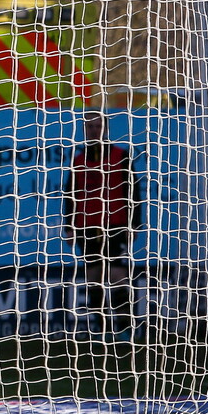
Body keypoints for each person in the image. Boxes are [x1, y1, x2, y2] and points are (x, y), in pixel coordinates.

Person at [62, 110, 141, 341]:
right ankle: (102, 329)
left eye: (98, 126)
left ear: (105, 129)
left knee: (117, 274)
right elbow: (71, 195)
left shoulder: (120, 156)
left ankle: (126, 328)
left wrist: (134, 224)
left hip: (115, 225)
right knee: (93, 276)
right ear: (84, 130)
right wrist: (69, 226)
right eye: (90, 127)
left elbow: (133, 192)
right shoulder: (79, 160)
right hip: (87, 226)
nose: (94, 130)